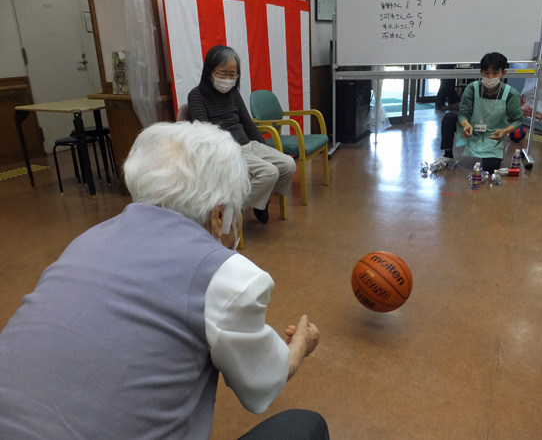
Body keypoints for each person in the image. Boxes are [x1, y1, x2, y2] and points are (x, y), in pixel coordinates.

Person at [0, 122, 327, 440]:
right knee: (304, 426)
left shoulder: (86, 240)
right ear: (219, 213)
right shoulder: (225, 274)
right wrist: (300, 345)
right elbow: (262, 386)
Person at [188, 45, 296, 224]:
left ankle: (262, 200)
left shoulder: (234, 94)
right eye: (223, 73)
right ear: (209, 71)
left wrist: (264, 148)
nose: (228, 79)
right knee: (269, 172)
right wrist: (232, 160)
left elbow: (248, 124)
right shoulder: (196, 96)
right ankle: (230, 210)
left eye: (233, 74)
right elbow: (204, 135)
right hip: (227, 150)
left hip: (248, 145)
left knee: (288, 164)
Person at [438, 52, 524, 173]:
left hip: (493, 135)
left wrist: (504, 131)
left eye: (495, 73)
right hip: (471, 128)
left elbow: (518, 120)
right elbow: (463, 113)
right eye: (486, 73)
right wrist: (465, 124)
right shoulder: (472, 88)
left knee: (490, 169)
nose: (490, 77)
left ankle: (488, 157)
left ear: (503, 73)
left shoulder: (511, 93)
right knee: (449, 117)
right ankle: (447, 155)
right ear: (481, 72)